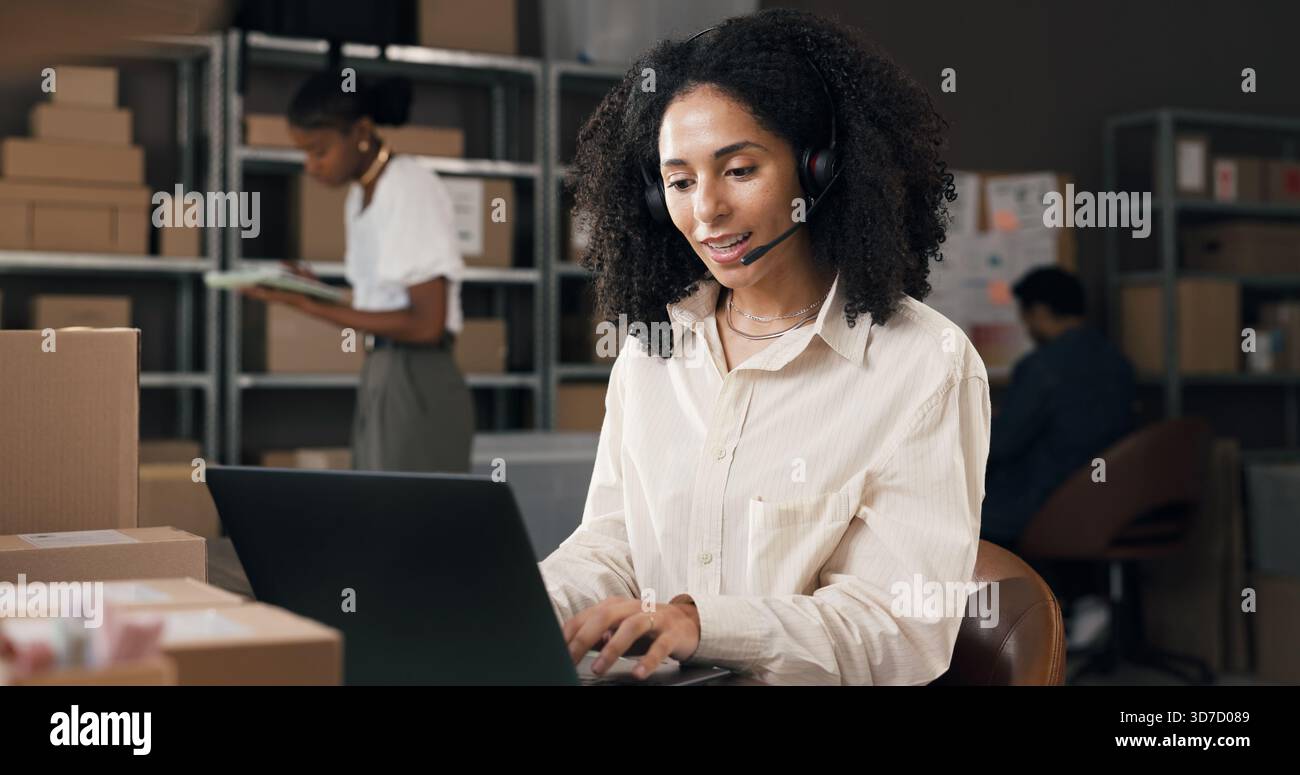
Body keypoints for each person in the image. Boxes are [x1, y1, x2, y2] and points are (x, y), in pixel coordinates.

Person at [537, 9, 991, 685]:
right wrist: (534, 601)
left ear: (821, 169)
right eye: (680, 182)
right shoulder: (655, 348)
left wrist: (703, 624)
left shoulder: (925, 365)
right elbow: (616, 540)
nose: (707, 210)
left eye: (739, 169)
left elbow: (899, 628)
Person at [241, 73, 474, 473]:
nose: (311, 166)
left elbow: (425, 325)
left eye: (319, 150)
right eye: (304, 153)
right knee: (378, 514)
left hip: (415, 376)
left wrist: (307, 305)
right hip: (383, 371)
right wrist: (312, 291)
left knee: (402, 522)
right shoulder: (361, 195)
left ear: (362, 132)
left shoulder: (407, 185)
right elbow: (382, 304)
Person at [980, 267, 1136, 548]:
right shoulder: (1117, 362)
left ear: (1039, 312)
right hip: (1113, 502)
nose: (1027, 329)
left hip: (1041, 501)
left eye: (1026, 319)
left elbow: (1003, 443)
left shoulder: (1042, 367)